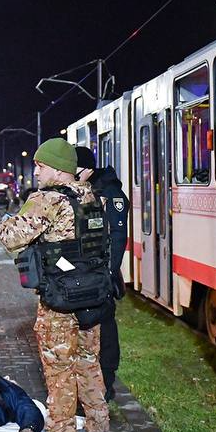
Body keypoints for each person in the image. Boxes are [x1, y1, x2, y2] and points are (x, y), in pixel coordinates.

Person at [0, 138, 111, 432]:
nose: (35, 171)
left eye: (41, 165)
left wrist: (6, 221)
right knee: (89, 361)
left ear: (59, 170)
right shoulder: (93, 197)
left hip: (60, 300)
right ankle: (99, 428)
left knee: (59, 369)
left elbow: (11, 237)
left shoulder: (46, 201)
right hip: (92, 295)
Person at [76, 145, 129, 400]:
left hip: (103, 278)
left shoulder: (110, 194)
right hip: (88, 276)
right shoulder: (84, 191)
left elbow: (117, 238)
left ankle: (106, 384)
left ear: (87, 169)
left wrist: (107, 274)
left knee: (106, 332)